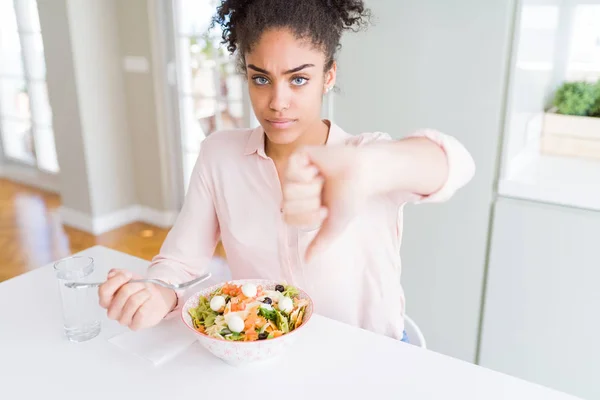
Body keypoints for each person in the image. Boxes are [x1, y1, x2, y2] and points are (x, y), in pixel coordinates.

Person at [98, 0, 475, 342]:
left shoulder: (364, 155)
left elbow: (455, 165)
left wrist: (363, 169)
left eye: (298, 79)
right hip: (266, 359)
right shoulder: (219, 156)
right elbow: (180, 262)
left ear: (328, 76)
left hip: (370, 362)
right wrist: (158, 292)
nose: (278, 102)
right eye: (261, 78)